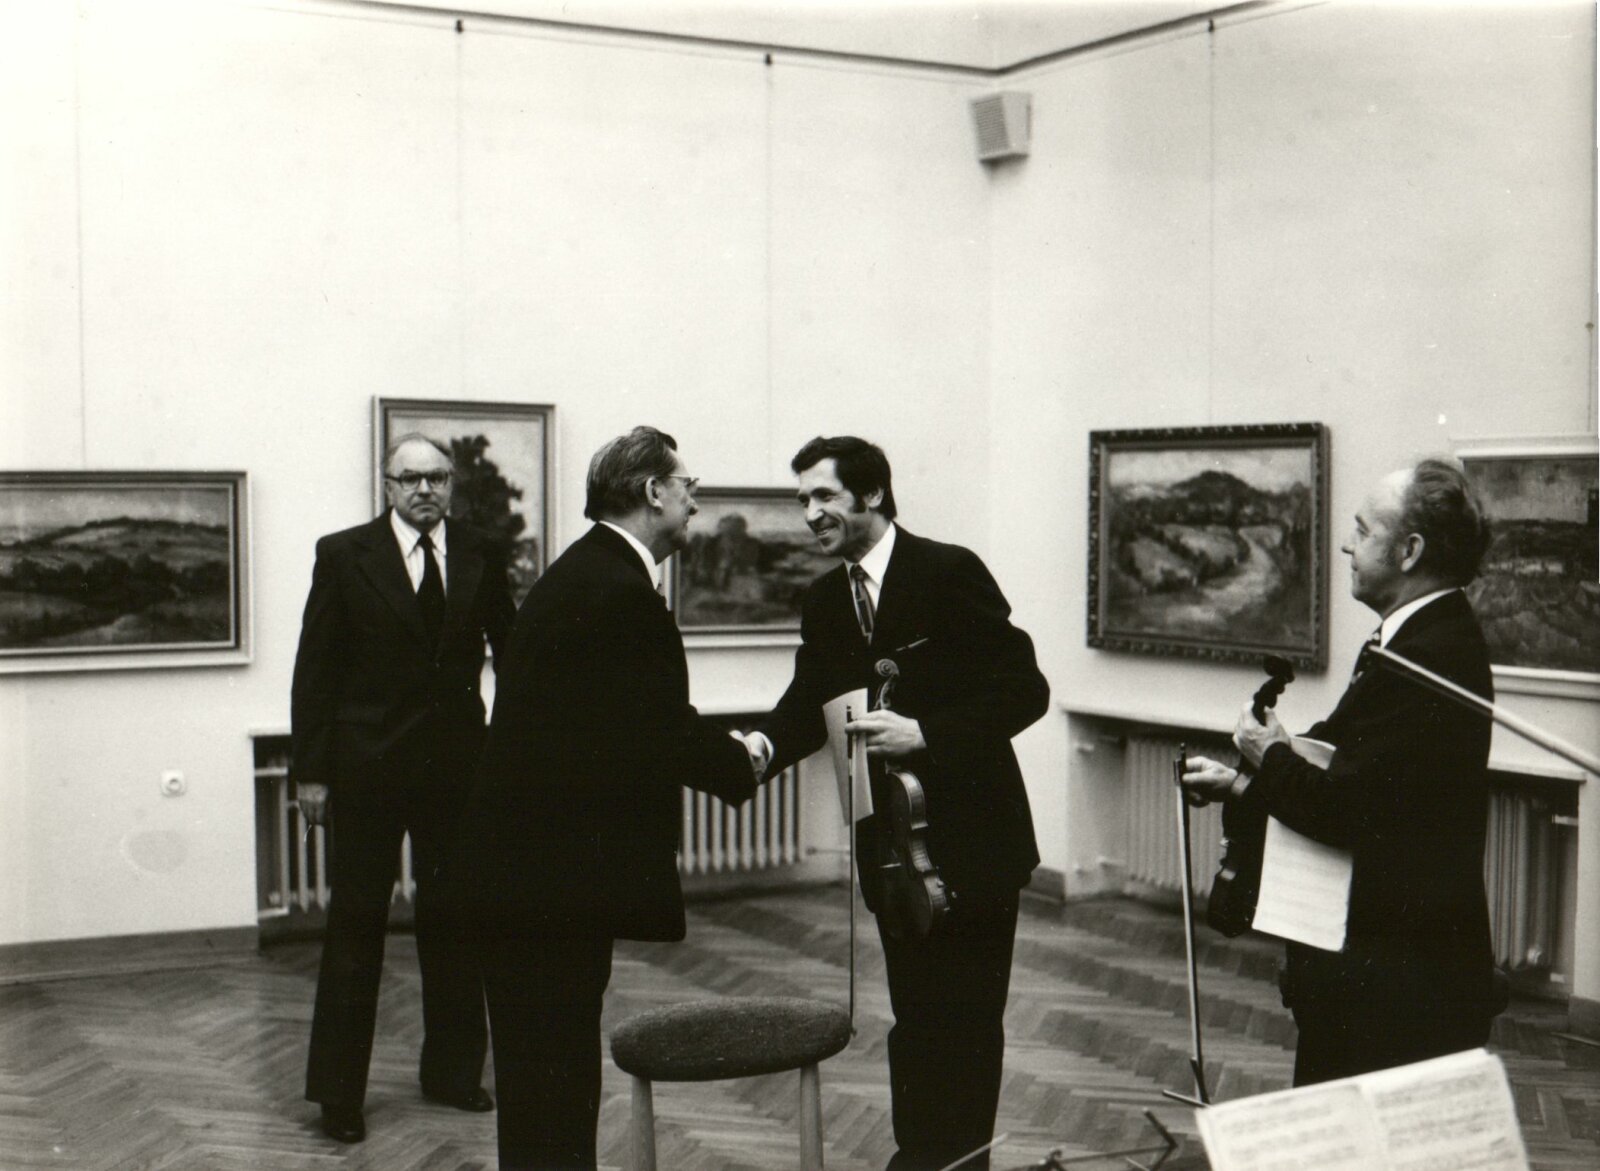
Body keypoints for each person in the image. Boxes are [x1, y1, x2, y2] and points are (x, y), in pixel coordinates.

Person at [447, 426, 759, 1170]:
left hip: (528, 881)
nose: (694, 503)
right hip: (545, 889)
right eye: (688, 487)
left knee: (542, 1089)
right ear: (652, 491)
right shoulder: (618, 591)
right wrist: (748, 757)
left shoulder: (585, 573)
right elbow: (659, 730)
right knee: (554, 1090)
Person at [738, 435, 1049, 1171]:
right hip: (892, 847)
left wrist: (927, 733)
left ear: (872, 493)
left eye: (824, 495)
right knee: (915, 1017)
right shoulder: (825, 599)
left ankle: (960, 1163)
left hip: (975, 841)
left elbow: (1025, 689)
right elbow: (806, 701)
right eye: (803, 500)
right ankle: (918, 1155)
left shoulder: (948, 570)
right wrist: (755, 748)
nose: (810, 514)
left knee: (968, 1020)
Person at [1182, 457, 1504, 1086]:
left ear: (1409, 551)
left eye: (1363, 529)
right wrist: (1243, 782)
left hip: (1400, 981)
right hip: (1385, 970)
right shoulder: (1414, 639)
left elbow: (1346, 809)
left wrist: (1267, 755)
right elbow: (1351, 770)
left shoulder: (1429, 655)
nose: (1347, 545)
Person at [291, 433, 515, 1142]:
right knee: (356, 926)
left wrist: (515, 750)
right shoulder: (343, 554)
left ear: (451, 486)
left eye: (437, 478)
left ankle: (452, 1073)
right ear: (387, 486)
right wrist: (312, 772)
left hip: (457, 771)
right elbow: (315, 669)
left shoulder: (480, 552)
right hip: (366, 769)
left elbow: (514, 654)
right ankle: (338, 1095)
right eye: (410, 478)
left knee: (455, 923)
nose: (425, 490)